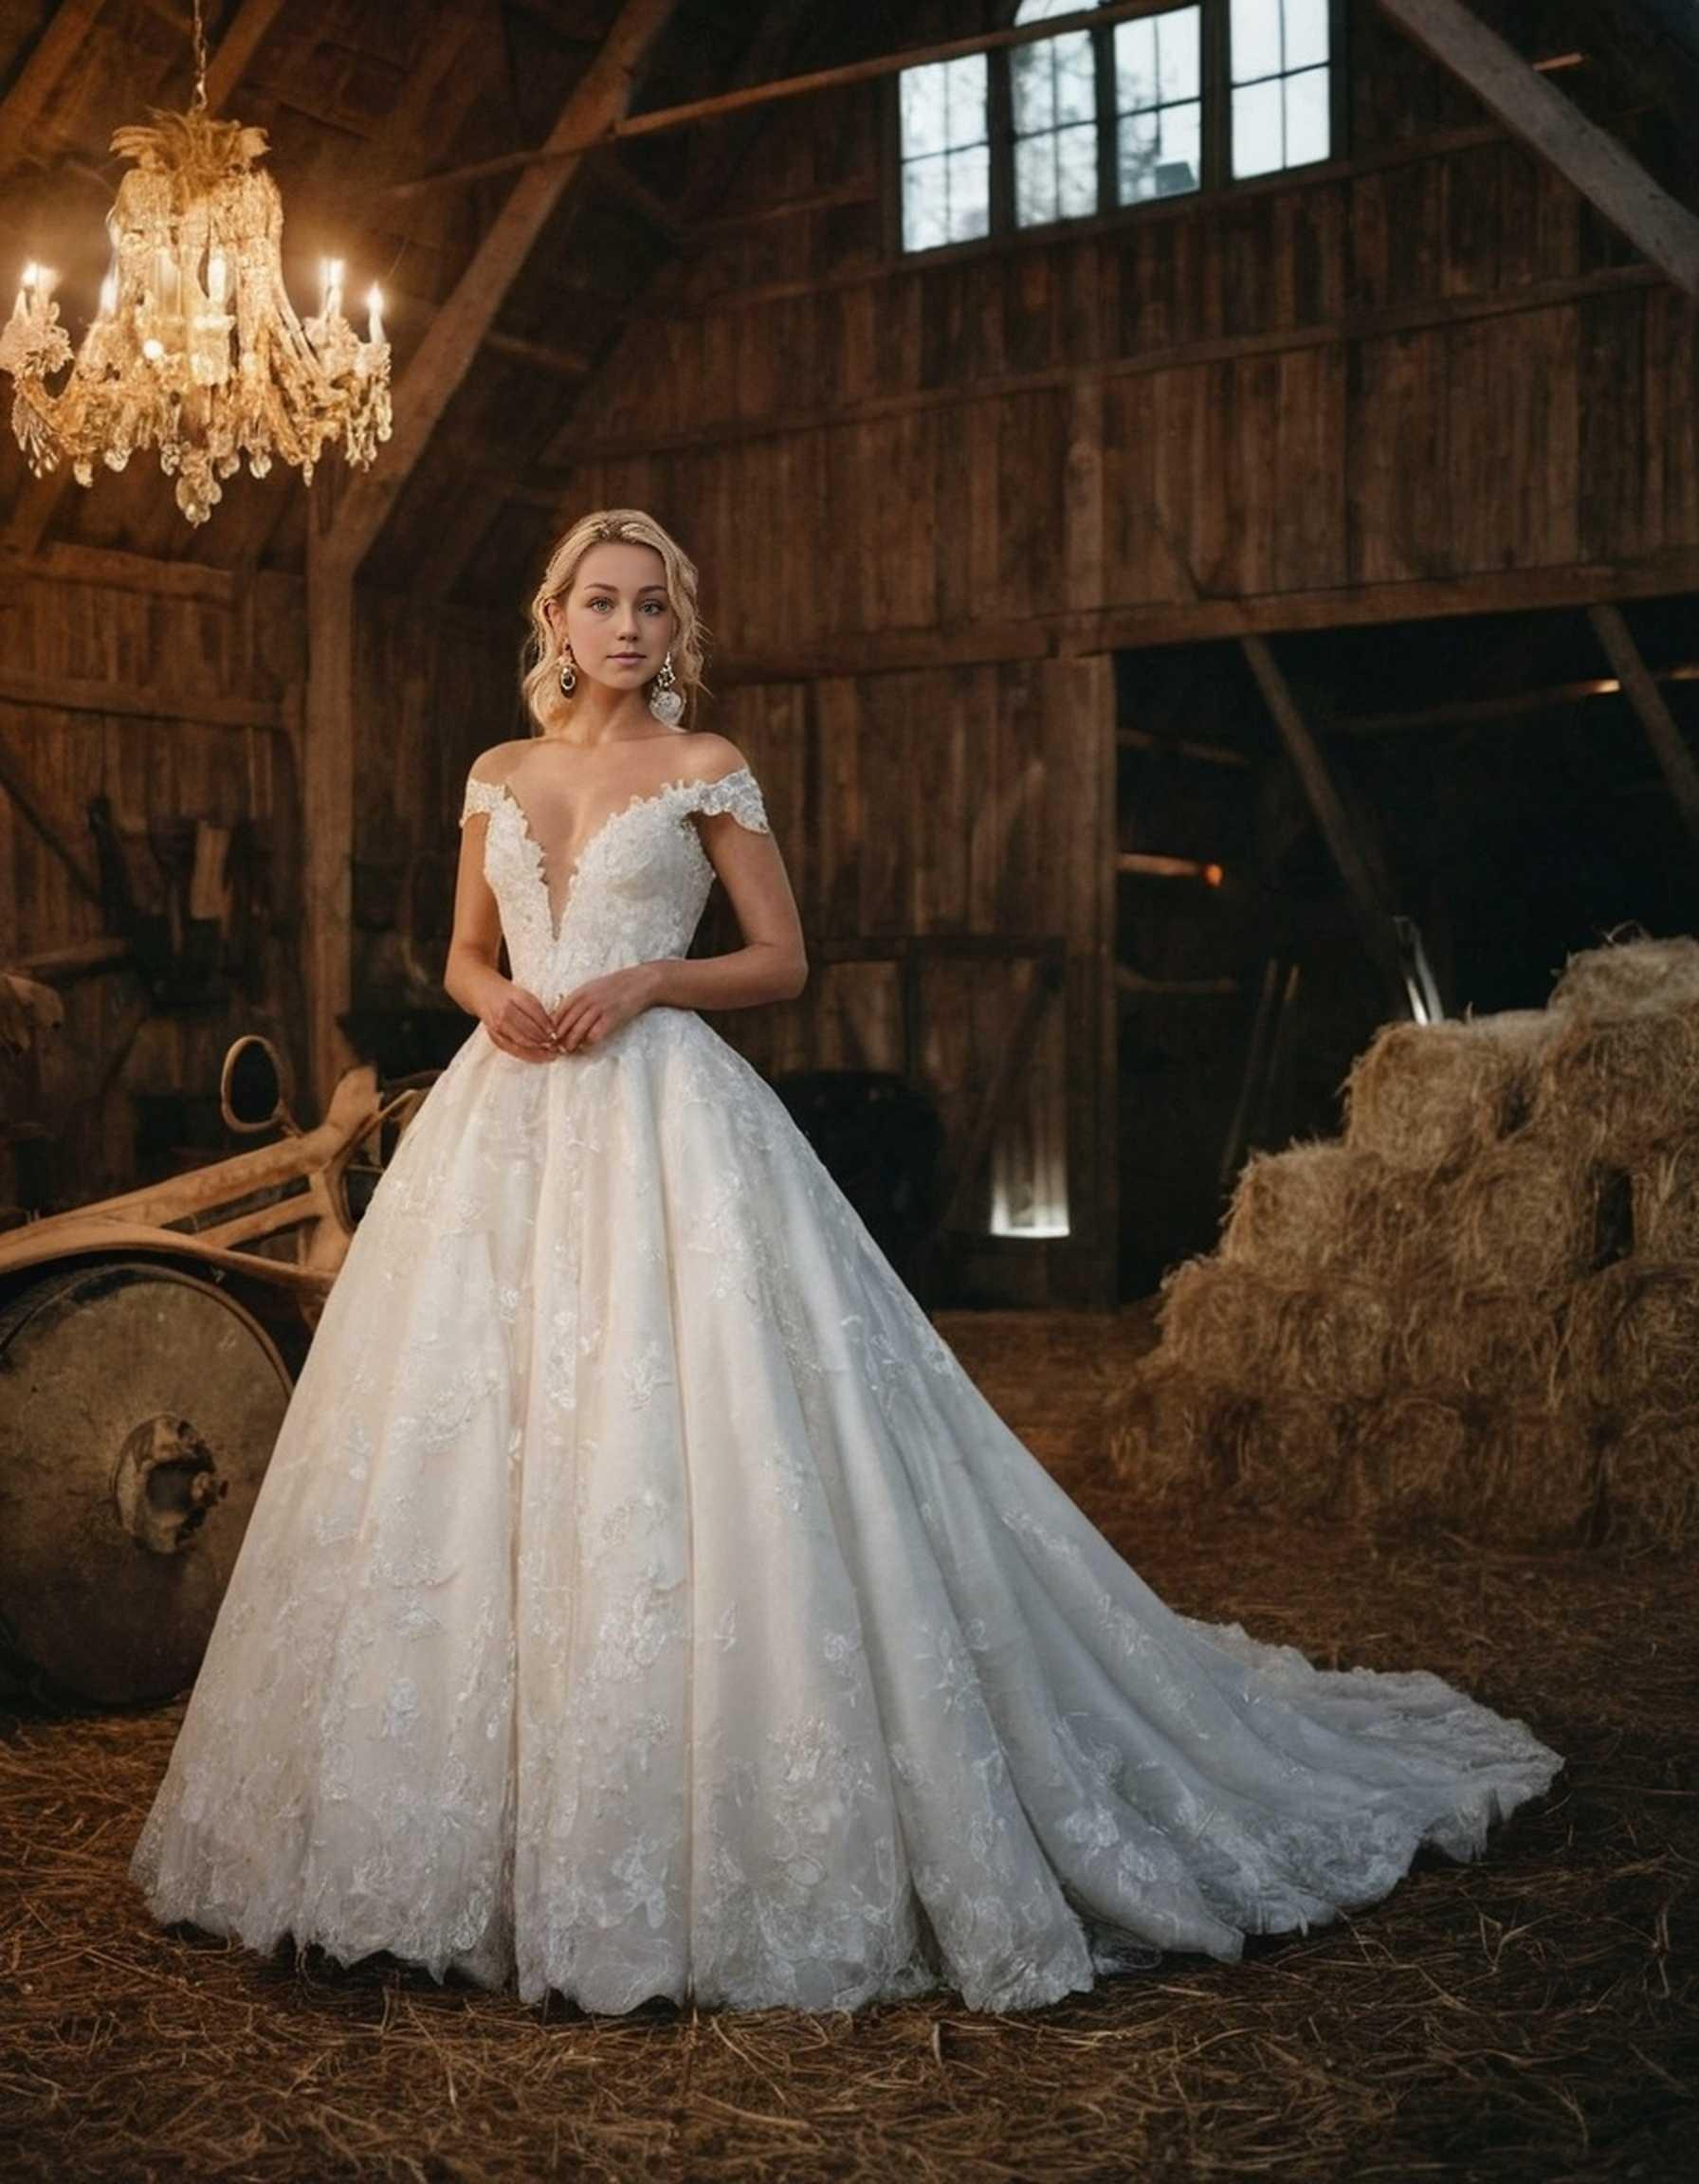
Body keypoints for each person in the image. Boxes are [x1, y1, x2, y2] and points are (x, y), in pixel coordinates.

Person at [130, 508, 1562, 2016]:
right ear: (552, 618)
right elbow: (463, 954)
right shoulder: (496, 775)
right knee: (473, 1437)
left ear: (679, 632)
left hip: (663, 1113)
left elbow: (782, 960)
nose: (627, 629)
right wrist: (494, 1004)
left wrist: (646, 982)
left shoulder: (703, 771)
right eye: (601, 603)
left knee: (692, 1425)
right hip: (504, 1124)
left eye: (653, 608)